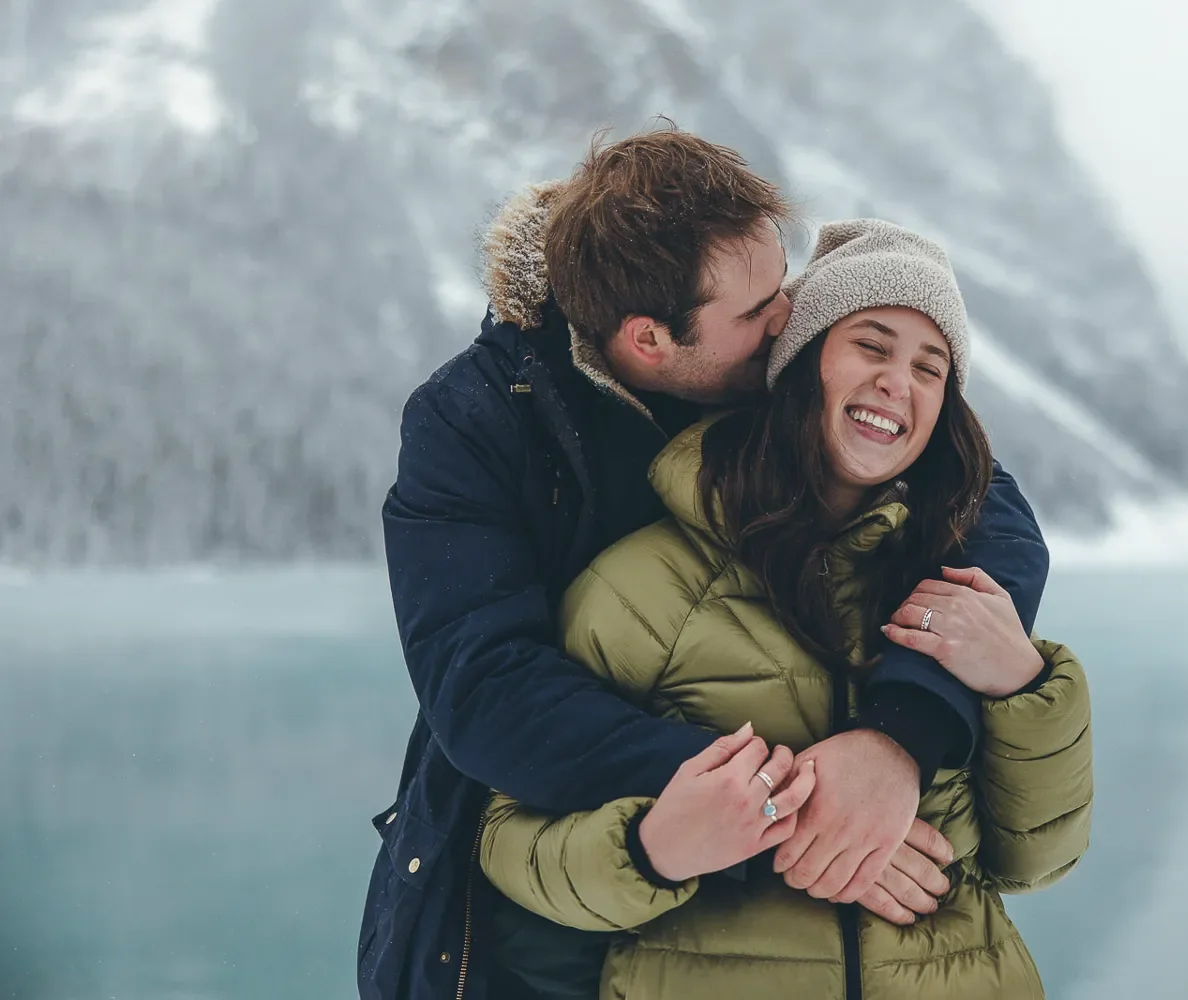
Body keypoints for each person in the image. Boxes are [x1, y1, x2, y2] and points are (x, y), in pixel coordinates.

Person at [358, 128, 1051, 1000]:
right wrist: (802, 806)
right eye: (761, 312)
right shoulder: (475, 421)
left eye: (783, 285)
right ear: (651, 341)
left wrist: (897, 740)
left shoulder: (766, 364)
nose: (791, 319)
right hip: (523, 894)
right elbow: (485, 688)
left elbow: (985, 508)